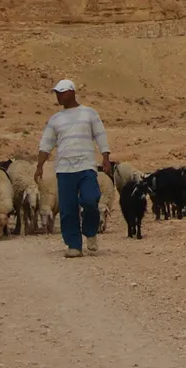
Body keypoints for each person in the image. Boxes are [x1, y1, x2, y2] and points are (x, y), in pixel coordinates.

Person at [34, 79, 111, 258]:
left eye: (61, 92)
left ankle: (90, 232)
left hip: (86, 166)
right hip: (64, 169)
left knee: (90, 200)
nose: (58, 96)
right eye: (57, 93)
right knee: (67, 208)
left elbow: (100, 135)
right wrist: (39, 166)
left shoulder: (89, 113)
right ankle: (74, 245)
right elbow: (46, 144)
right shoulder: (55, 119)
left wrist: (105, 157)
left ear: (72, 92)